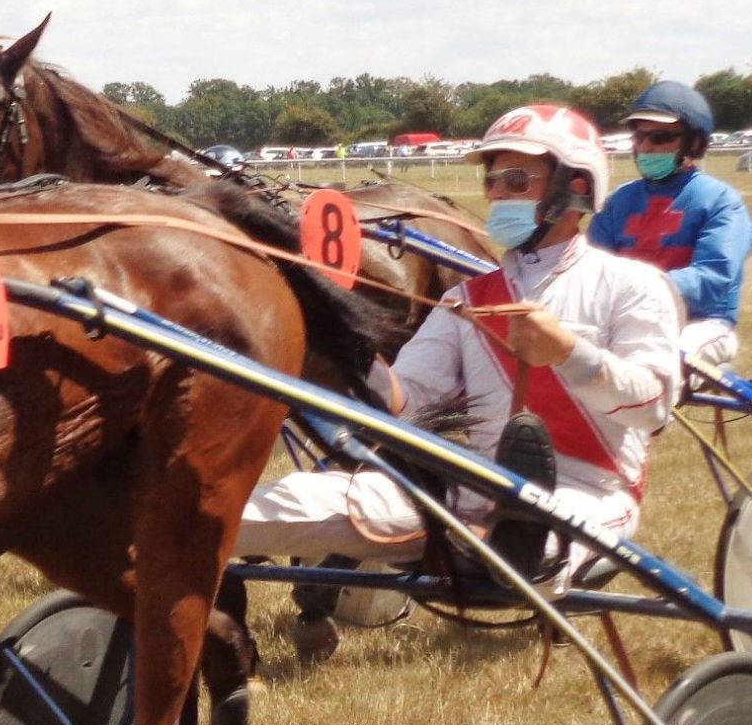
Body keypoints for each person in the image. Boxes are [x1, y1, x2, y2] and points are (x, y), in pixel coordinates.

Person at [235, 104, 684, 660]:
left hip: (586, 492)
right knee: (269, 506)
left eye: (517, 179)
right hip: (465, 489)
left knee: (526, 553)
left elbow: (655, 406)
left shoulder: (632, 287)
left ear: (574, 188)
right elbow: (401, 401)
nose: (498, 194)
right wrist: (333, 334)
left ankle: (506, 549)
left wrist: (569, 353)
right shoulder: (467, 299)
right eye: (492, 180)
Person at [589, 79, 752, 369]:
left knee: (661, 361)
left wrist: (637, 288)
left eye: (661, 137)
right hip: (629, 321)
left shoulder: (721, 201)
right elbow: (591, 270)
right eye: (640, 136)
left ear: (695, 143)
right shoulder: (617, 203)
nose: (646, 146)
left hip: (701, 324)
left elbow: (713, 277)